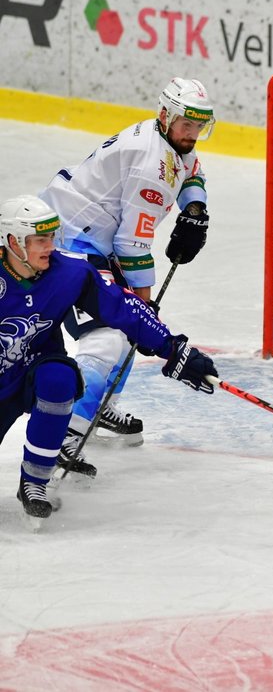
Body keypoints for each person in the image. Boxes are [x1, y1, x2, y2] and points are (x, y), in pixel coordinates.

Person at [0, 195, 217, 527]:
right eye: (39, 240)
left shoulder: (70, 272)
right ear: (12, 242)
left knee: (59, 380)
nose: (50, 247)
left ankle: (34, 482)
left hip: (36, 365)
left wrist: (172, 348)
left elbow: (123, 308)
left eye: (51, 237)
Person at [39, 77, 215, 467]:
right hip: (68, 241)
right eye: (188, 124)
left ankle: (102, 404)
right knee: (109, 337)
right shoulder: (149, 165)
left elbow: (192, 171)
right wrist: (143, 308)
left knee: (128, 325)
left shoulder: (171, 141)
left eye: (200, 126)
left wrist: (194, 209)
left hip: (95, 237)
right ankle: (66, 434)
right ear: (166, 115)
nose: (193, 134)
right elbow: (132, 246)